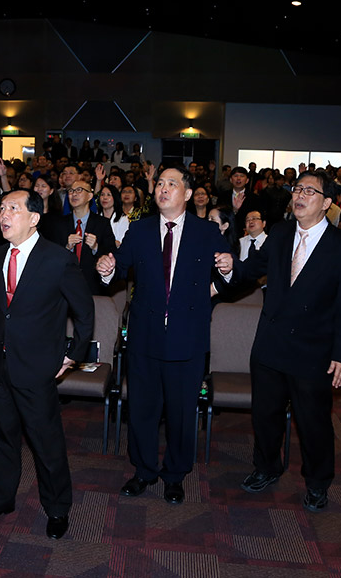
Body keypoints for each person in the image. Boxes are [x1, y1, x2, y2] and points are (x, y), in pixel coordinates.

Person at [223, 169, 341, 511]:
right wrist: (230, 268)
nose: (299, 195)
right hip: (271, 344)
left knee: (313, 422)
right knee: (265, 415)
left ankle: (317, 482)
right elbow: (253, 268)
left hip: (313, 350)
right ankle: (267, 467)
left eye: (309, 191)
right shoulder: (282, 233)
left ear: (327, 203)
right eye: (297, 189)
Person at [97, 167, 232, 505]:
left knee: (181, 412)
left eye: (172, 184)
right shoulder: (140, 229)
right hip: (145, 335)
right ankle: (143, 470)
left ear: (187, 194)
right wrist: (107, 268)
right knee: (142, 408)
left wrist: (223, 276)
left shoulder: (206, 231)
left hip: (188, 337)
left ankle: (175, 474)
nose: (163, 188)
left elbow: (232, 271)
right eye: (160, 183)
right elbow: (120, 264)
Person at [0, 189, 93, 540]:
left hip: (37, 367)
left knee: (45, 442)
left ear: (34, 218)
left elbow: (84, 311)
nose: (3, 215)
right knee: (0, 439)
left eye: (13, 208)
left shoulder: (57, 259)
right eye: (1, 208)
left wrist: (72, 354)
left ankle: (57, 508)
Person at [46, 179, 116, 294]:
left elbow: (111, 253)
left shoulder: (102, 223)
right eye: (71, 191)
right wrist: (67, 247)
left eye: (79, 190)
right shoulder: (59, 224)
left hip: (92, 286)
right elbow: (51, 256)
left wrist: (95, 247)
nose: (74, 194)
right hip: (64, 285)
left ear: (89, 196)